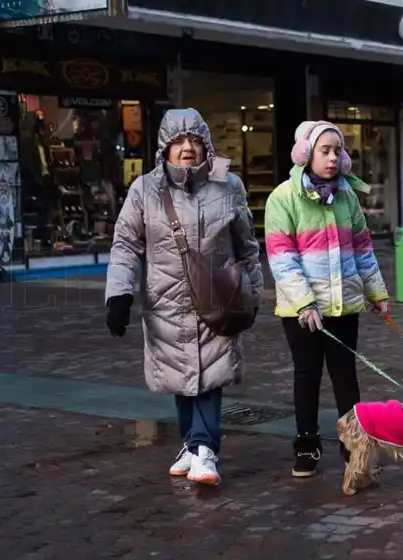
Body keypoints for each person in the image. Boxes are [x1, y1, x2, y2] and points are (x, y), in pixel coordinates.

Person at [104, 108, 264, 486]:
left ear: (206, 145)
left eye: (194, 140)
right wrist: (119, 294)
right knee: (181, 377)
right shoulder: (145, 189)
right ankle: (193, 444)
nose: (187, 148)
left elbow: (247, 246)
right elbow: (125, 244)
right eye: (178, 141)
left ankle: (206, 449)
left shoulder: (228, 185)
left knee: (210, 375)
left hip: (218, 299)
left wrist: (253, 291)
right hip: (167, 302)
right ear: (165, 148)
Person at [265, 120, 390, 478]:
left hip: (344, 305)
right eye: (325, 150)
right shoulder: (283, 198)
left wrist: (376, 292)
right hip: (301, 311)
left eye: (338, 150)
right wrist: (304, 303)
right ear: (306, 153)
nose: (333, 157)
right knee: (307, 375)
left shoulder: (347, 197)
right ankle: (307, 445)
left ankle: (354, 447)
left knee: (345, 376)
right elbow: (282, 257)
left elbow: (363, 250)